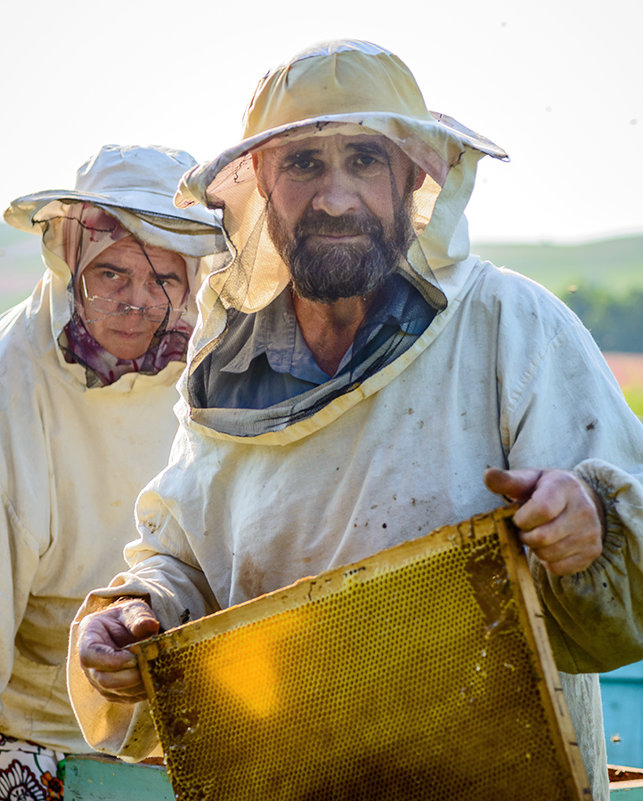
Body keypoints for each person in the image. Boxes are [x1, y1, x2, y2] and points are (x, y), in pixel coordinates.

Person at [69, 43, 643, 801]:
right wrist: (134, 613)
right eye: (303, 164)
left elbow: (627, 565)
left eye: (365, 160)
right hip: (285, 780)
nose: (335, 198)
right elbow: (186, 561)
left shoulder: (510, 325)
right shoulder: (225, 372)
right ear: (261, 188)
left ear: (414, 178)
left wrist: (586, 528)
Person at [0, 144, 225, 797]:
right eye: (112, 274)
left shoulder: (215, 370)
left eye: (164, 279)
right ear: (70, 260)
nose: (138, 301)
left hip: (193, 735)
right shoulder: (14, 389)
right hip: (42, 750)